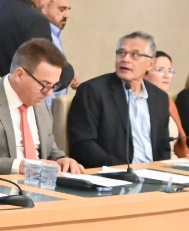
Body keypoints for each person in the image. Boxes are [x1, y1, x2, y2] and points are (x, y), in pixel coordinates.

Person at [0, 39, 85, 176]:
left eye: (53, 86)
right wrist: (20, 166)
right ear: (19, 75)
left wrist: (62, 160)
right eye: (44, 84)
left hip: (39, 188)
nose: (49, 93)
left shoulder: (39, 104)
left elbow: (50, 151)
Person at [66, 31, 174, 167]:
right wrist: (122, 169)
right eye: (121, 53)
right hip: (112, 175)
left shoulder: (159, 98)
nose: (125, 59)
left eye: (135, 55)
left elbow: (163, 147)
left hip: (152, 176)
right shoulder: (93, 90)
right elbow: (83, 144)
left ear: (150, 63)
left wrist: (159, 173)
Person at [144, 51, 189, 159]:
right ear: (144, 74)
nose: (166, 76)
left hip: (175, 161)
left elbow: (180, 146)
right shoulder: (138, 103)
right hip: (153, 164)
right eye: (160, 70)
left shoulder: (168, 102)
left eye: (170, 71)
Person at [43, 0, 78, 101]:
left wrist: (69, 78)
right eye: (62, 9)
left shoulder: (57, 33)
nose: (67, 15)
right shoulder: (42, 35)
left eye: (69, 9)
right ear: (45, 8)